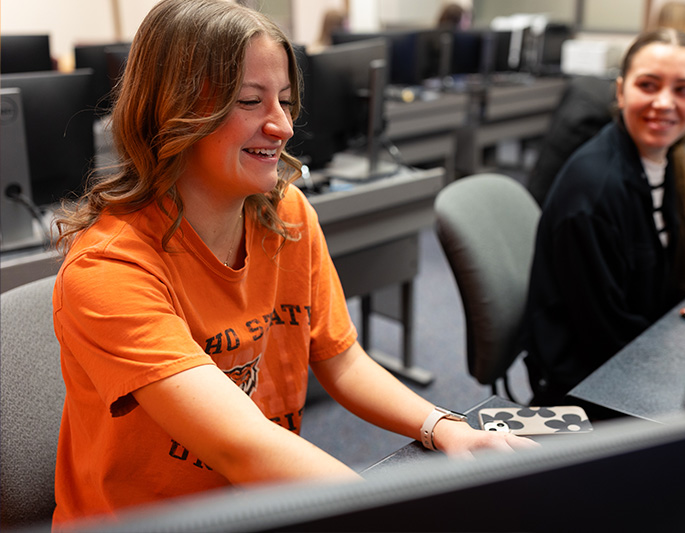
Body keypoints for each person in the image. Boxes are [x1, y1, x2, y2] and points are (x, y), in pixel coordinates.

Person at [50, 0, 535, 526]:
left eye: (283, 100)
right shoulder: (108, 270)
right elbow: (244, 447)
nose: (281, 126)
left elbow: (342, 361)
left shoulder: (285, 213)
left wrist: (444, 426)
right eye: (250, 101)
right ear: (175, 110)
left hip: (264, 504)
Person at [522, 28, 685, 403]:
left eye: (684, 90)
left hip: (634, 353)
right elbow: (605, 338)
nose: (664, 103)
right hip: (591, 385)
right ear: (621, 90)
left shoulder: (664, 160)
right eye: (648, 85)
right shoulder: (594, 192)